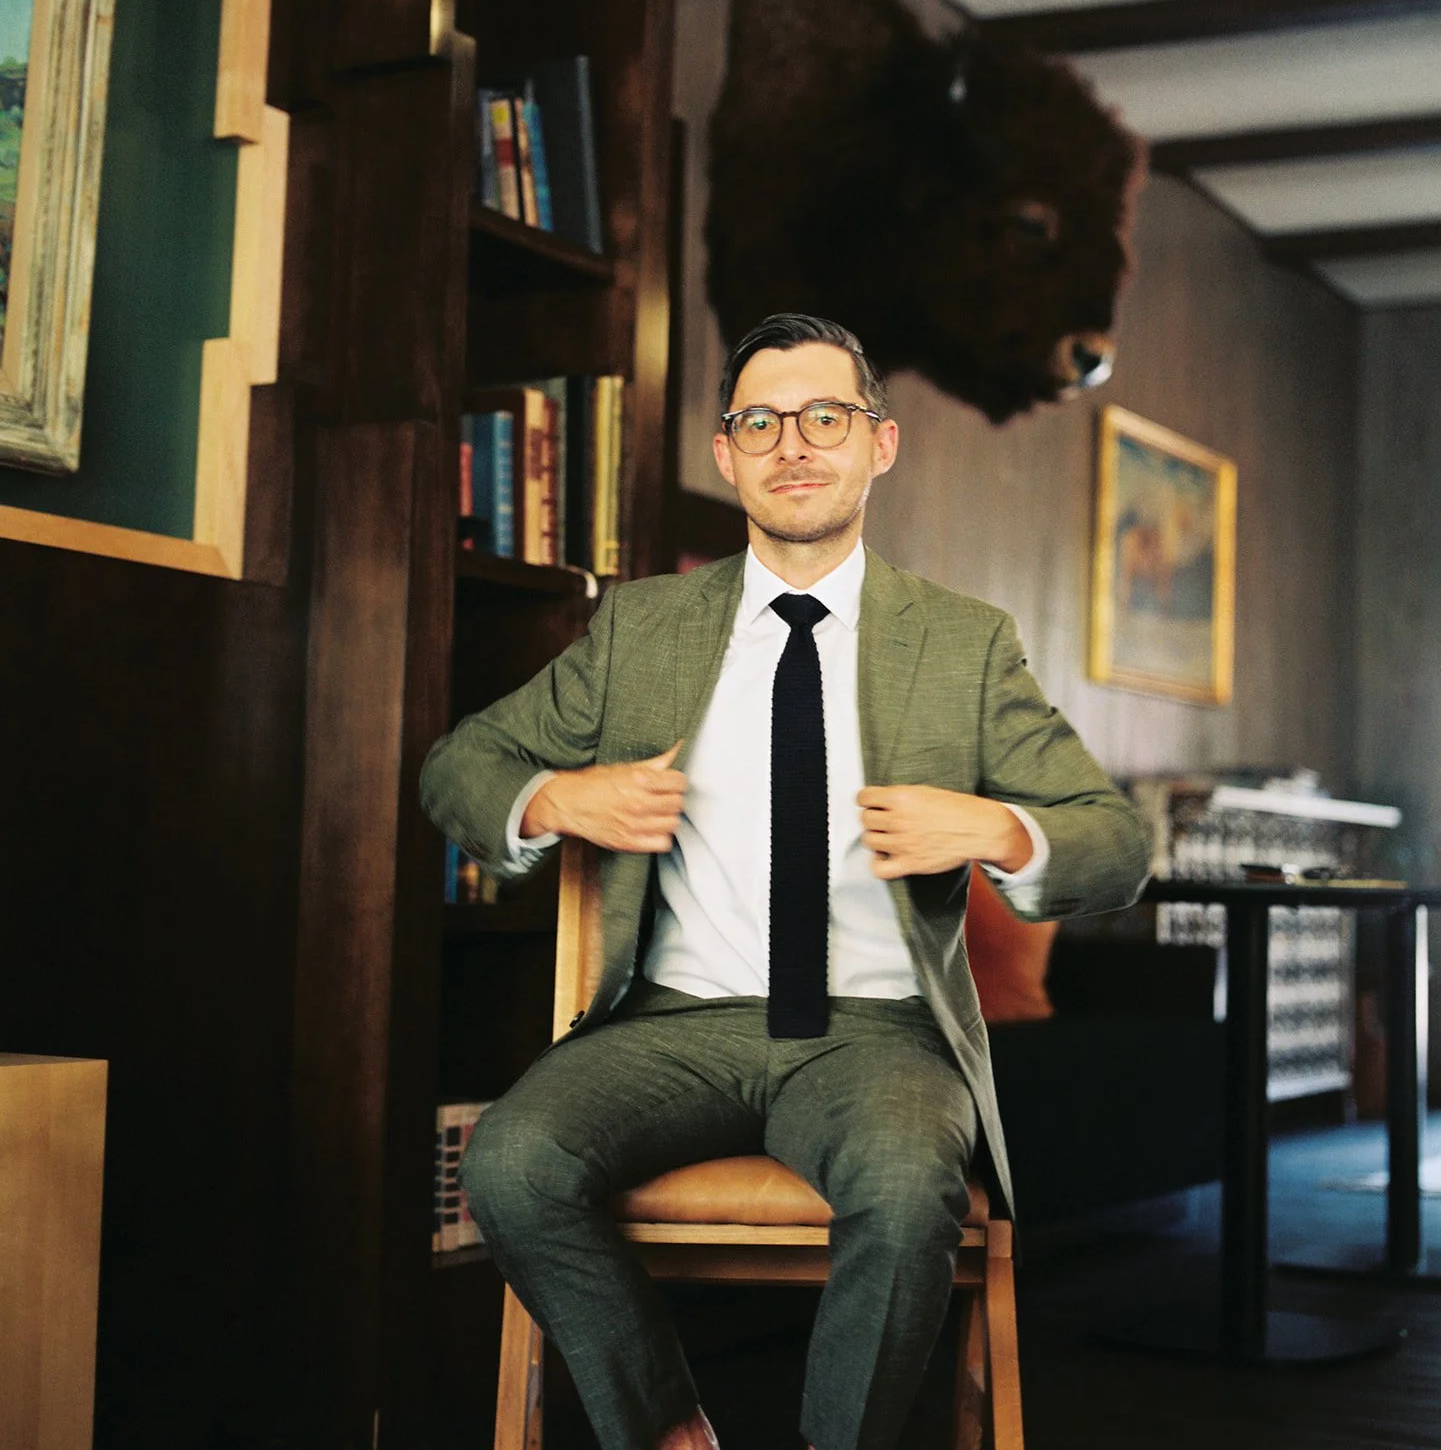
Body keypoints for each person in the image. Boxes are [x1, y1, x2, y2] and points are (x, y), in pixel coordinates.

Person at [420, 313, 1148, 1450]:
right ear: (727, 453)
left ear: (880, 443)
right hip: (673, 1025)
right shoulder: (641, 628)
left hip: (877, 1033)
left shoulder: (962, 643)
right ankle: (669, 1431)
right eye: (760, 421)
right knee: (510, 1163)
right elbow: (459, 766)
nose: (793, 444)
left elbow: (1116, 844)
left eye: (825, 417)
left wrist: (997, 827)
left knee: (907, 1190)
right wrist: (557, 799)